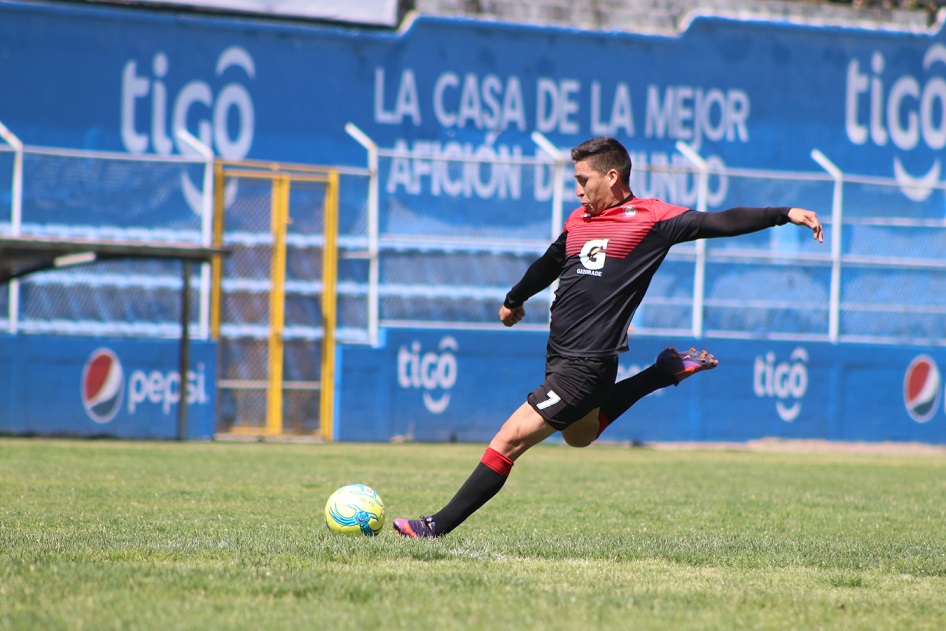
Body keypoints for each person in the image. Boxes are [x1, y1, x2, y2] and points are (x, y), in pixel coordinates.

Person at [392, 136, 824, 538]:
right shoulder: (579, 220)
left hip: (588, 363)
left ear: (612, 177)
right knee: (579, 436)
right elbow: (549, 261)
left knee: (509, 439)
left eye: (584, 180)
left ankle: (435, 526)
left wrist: (782, 215)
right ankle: (660, 374)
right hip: (560, 357)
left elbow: (719, 221)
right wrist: (514, 298)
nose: (578, 191)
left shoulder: (652, 219)